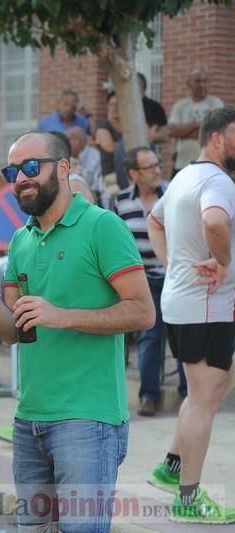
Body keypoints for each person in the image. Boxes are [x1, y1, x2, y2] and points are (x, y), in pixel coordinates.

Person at [0, 131, 155, 531]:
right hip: (28, 419)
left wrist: (62, 315)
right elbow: (12, 331)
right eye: (13, 170)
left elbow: (142, 313)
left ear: (64, 167)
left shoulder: (103, 227)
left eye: (31, 167)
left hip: (88, 421)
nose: (21, 178)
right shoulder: (21, 240)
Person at [146, 108, 235, 524]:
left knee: (208, 392)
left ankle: (173, 465)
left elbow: (154, 219)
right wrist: (222, 260)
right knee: (204, 399)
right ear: (217, 138)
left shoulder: (184, 175)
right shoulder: (216, 181)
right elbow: (215, 222)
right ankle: (189, 498)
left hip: (188, 303)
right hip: (205, 307)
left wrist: (173, 266)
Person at [114, 147, 187, 416]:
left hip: (176, 275)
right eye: (150, 167)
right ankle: (149, 395)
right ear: (133, 173)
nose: (158, 170)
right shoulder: (120, 201)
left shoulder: (174, 193)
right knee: (150, 335)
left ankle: (187, 395)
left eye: (158, 164)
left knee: (181, 331)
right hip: (141, 279)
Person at [168, 65, 225, 176]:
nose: (202, 85)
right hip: (183, 164)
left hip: (210, 164)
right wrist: (197, 125)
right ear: (189, 84)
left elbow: (216, 133)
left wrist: (183, 132)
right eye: (198, 81)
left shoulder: (216, 103)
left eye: (205, 81)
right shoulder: (180, 106)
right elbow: (171, 132)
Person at [66, 126, 105, 205]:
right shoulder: (67, 157)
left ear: (78, 141)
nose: (65, 144)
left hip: (94, 203)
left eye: (68, 140)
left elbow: (99, 187)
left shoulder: (96, 157)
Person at [95, 92, 124, 198]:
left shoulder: (127, 126)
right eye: (112, 104)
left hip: (126, 170)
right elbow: (110, 147)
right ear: (107, 107)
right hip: (109, 173)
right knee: (113, 202)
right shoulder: (103, 126)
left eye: (118, 104)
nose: (115, 108)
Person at [138, 72, 169, 145]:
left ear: (143, 86)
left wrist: (151, 136)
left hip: (149, 147)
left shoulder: (155, 107)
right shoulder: (122, 108)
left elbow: (165, 135)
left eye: (138, 84)